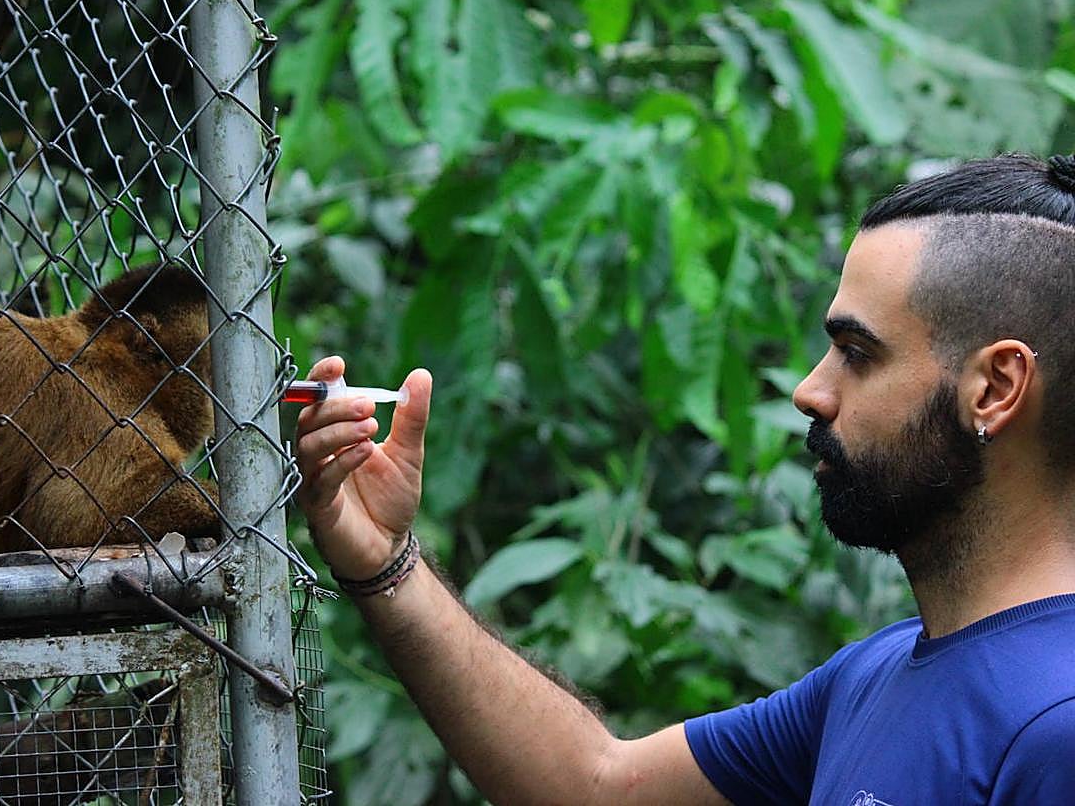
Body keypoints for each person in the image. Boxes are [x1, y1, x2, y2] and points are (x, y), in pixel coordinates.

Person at [294, 153, 1075, 805]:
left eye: (858, 353)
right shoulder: (876, 676)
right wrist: (386, 562)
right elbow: (598, 784)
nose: (811, 390)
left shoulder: (1054, 726)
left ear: (996, 388)